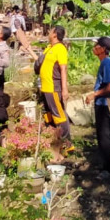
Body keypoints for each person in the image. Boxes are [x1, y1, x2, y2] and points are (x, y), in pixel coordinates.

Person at [86, 37, 110, 180]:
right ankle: (109, 164)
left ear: (103, 49)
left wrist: (94, 94)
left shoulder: (106, 63)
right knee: (106, 135)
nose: (94, 47)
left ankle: (109, 168)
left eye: (97, 45)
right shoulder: (107, 62)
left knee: (105, 136)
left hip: (104, 104)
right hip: (106, 103)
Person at [40, 25, 73, 154]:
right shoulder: (49, 48)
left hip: (54, 88)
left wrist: (65, 89)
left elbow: (63, 69)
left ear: (54, 34)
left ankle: (67, 145)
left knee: (59, 116)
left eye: (50, 31)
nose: (48, 32)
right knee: (49, 115)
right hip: (45, 88)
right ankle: (55, 141)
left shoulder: (60, 49)